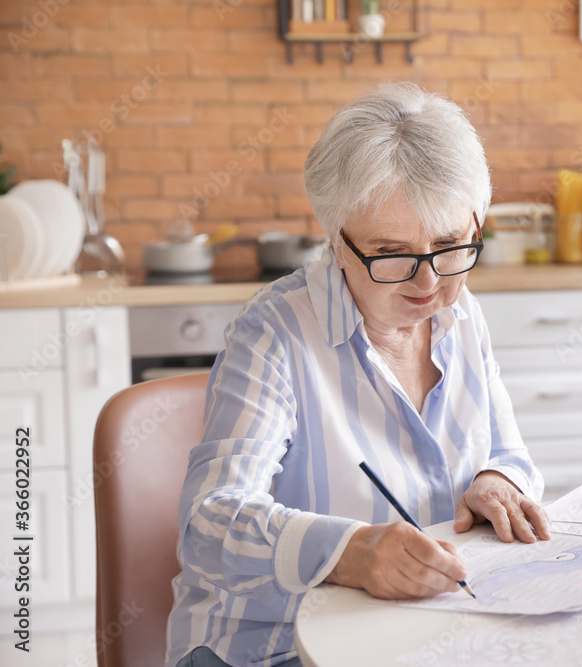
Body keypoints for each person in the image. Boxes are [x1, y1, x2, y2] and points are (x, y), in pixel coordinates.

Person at [165, 82, 551, 667]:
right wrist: (347, 552)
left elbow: (506, 450)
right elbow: (210, 522)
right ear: (337, 240)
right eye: (392, 254)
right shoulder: (274, 333)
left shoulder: (461, 312)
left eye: (450, 247)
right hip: (271, 647)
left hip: (419, 636)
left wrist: (499, 481)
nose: (428, 285)